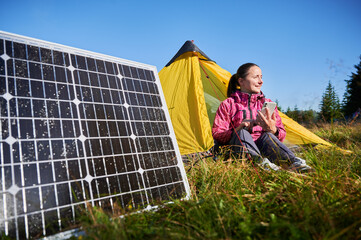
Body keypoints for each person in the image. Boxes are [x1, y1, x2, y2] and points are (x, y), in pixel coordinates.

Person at [212, 63, 312, 172]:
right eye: (256, 77)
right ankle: (261, 164)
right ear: (241, 81)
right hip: (240, 149)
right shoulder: (228, 104)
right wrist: (239, 128)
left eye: (261, 77)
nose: (261, 81)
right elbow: (217, 134)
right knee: (242, 133)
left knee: (267, 135)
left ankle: (294, 163)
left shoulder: (268, 103)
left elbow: (282, 135)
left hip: (264, 147)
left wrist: (273, 129)